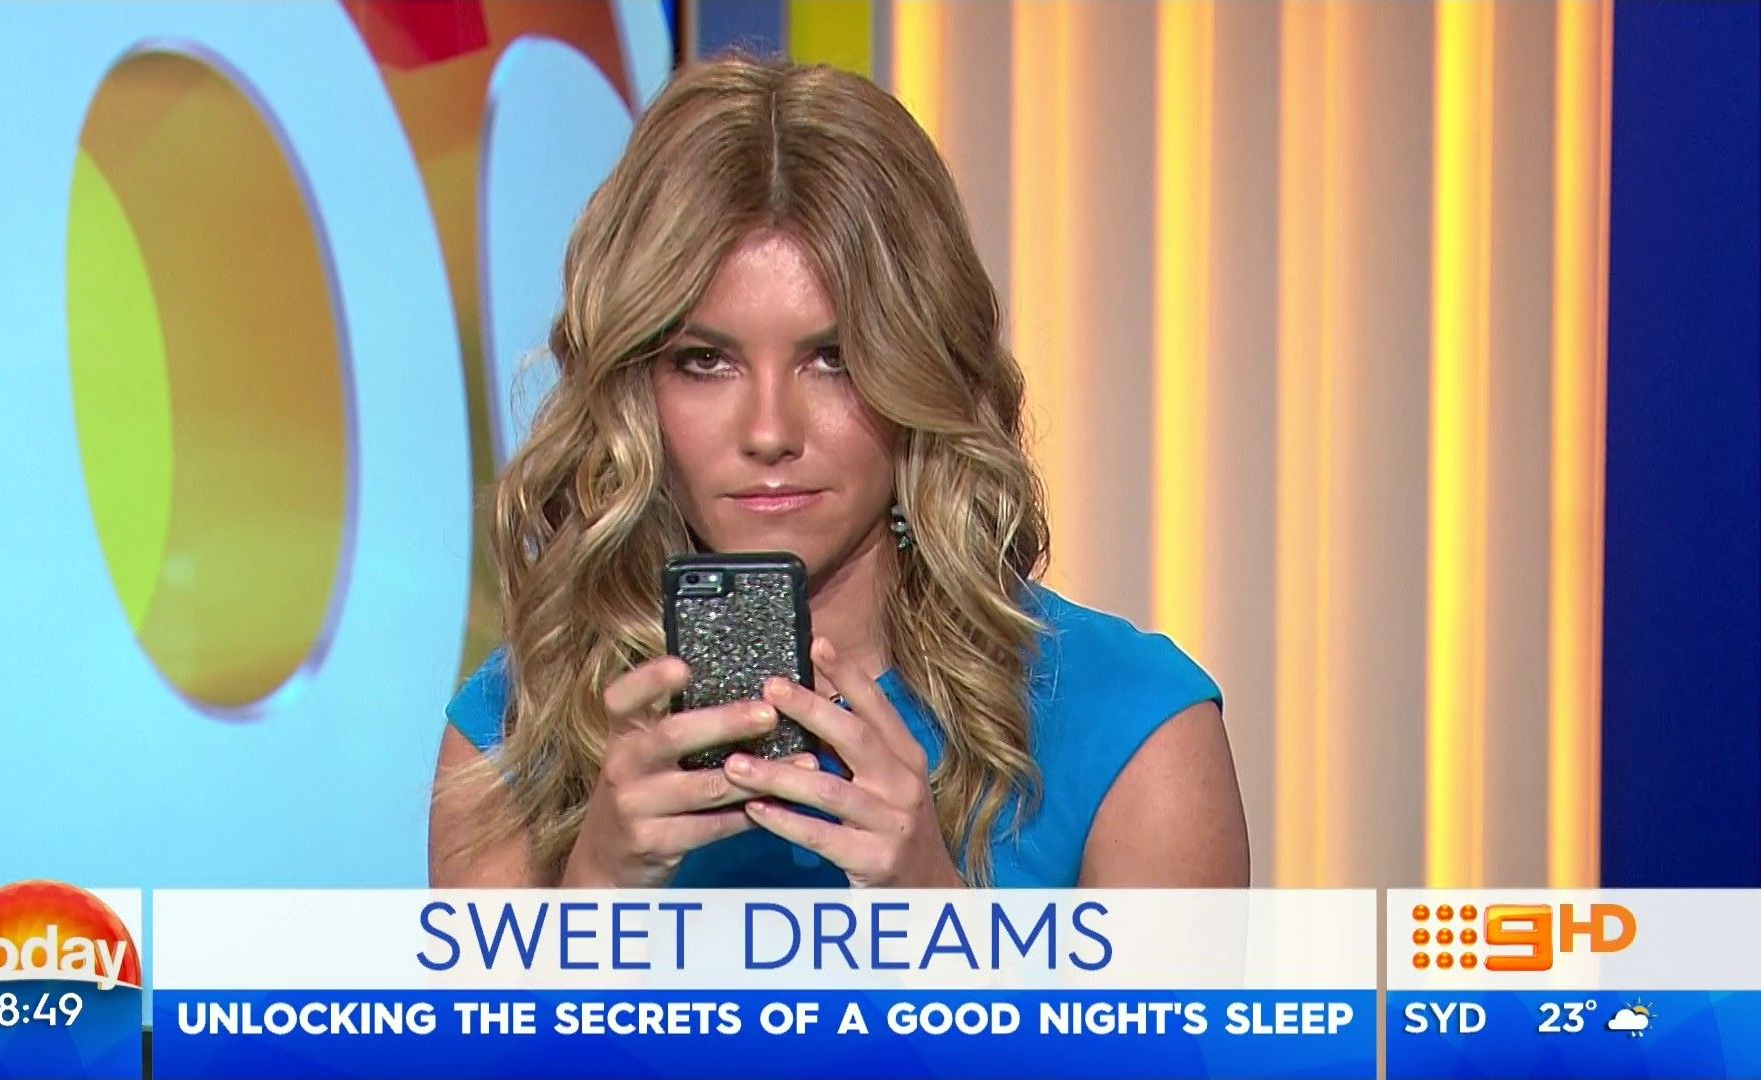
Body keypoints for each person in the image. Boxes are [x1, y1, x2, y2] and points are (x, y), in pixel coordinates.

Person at [428, 56, 1248, 890]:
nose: (769, 432)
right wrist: (593, 893)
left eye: (834, 359)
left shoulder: (1135, 735)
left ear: (920, 371)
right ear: (635, 388)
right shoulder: (511, 738)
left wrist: (936, 917)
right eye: (706, 361)